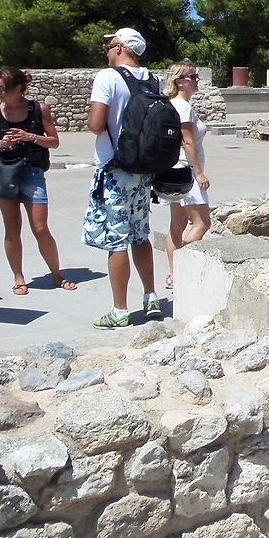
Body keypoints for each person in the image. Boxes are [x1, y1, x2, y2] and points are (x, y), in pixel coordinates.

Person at [84, 26, 163, 327]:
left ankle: (119, 311)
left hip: (114, 169)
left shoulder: (108, 77)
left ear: (119, 48)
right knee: (140, 235)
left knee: (116, 240)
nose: (106, 51)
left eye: (109, 46)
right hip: (143, 170)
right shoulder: (153, 79)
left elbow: (96, 124)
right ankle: (151, 297)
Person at [0, 67, 76, 295]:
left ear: (17, 88)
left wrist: (31, 137)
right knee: (12, 228)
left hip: (32, 172)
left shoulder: (38, 109)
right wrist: (0, 144)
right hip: (6, 172)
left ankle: (57, 274)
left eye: (1, 88)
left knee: (41, 228)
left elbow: (54, 142)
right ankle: (19, 277)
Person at [163, 60, 211, 289]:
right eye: (192, 77)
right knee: (203, 223)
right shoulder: (182, 106)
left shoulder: (171, 104)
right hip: (186, 171)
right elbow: (188, 142)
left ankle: (173, 274)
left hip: (172, 170)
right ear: (180, 81)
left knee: (178, 224)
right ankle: (181, 267)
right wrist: (199, 173)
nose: (197, 80)